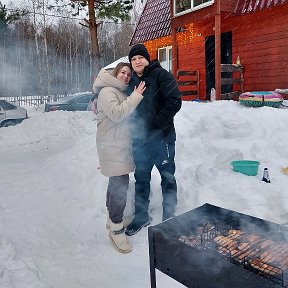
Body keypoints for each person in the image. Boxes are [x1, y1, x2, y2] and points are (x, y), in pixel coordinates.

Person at [125, 44, 182, 236]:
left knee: (167, 177)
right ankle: (141, 216)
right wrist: (95, 95)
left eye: (140, 57)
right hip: (140, 141)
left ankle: (169, 216)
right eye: (133, 59)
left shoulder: (161, 75)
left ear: (147, 59)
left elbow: (175, 100)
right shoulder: (131, 80)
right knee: (141, 179)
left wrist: (157, 125)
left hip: (162, 139)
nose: (137, 61)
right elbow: (112, 87)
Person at [93, 62, 146, 253]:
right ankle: (116, 230)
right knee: (120, 186)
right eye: (122, 72)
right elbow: (117, 114)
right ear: (115, 73)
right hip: (113, 146)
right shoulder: (108, 91)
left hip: (118, 146)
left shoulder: (118, 91)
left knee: (116, 183)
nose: (126, 76)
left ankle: (111, 220)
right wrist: (137, 95)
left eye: (129, 74)